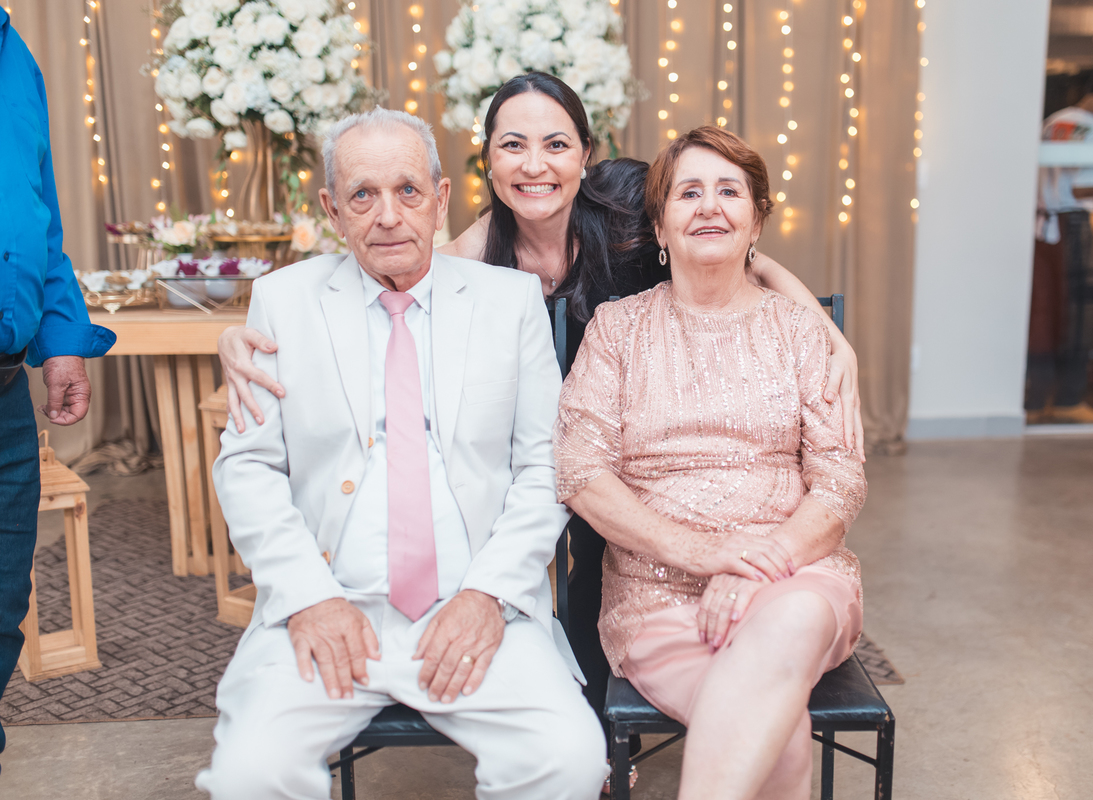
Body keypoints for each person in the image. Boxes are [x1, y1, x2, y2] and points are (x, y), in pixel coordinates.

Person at [214, 72, 866, 738]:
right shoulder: (474, 251)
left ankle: (597, 727)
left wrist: (825, 331)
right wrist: (241, 335)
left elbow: (727, 239)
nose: (534, 165)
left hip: (644, 410)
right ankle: (577, 715)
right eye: (512, 146)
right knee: (563, 531)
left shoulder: (626, 205)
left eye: (555, 144)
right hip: (551, 433)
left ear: (586, 154)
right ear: (487, 163)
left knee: (598, 543)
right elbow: (382, 277)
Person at [195, 108, 607, 800]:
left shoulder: (509, 303)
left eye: (408, 191)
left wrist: (487, 595)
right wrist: (310, 598)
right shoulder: (283, 302)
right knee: (249, 773)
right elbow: (248, 466)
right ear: (332, 210)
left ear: (441, 199)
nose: (388, 216)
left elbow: (544, 467)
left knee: (567, 759)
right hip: (329, 603)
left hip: (479, 605)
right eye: (363, 194)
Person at [554, 126, 867, 799]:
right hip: (657, 594)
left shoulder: (801, 330)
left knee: (790, 619)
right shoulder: (616, 329)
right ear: (660, 227)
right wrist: (702, 553)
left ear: (756, 221)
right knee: (778, 740)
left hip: (797, 577)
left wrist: (761, 565)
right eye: (688, 192)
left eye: (729, 191)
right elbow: (579, 470)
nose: (709, 206)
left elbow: (841, 481)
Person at [0, 6, 115, 767]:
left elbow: (37, 216)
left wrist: (60, 339)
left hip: (5, 393)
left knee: (3, 603)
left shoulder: (14, 51)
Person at [1028, 72, 1093, 423]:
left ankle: (1036, 398)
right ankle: (1069, 398)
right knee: (1078, 316)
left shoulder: (1052, 123)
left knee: (1044, 314)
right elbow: (1080, 189)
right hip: (1073, 224)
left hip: (1042, 225)